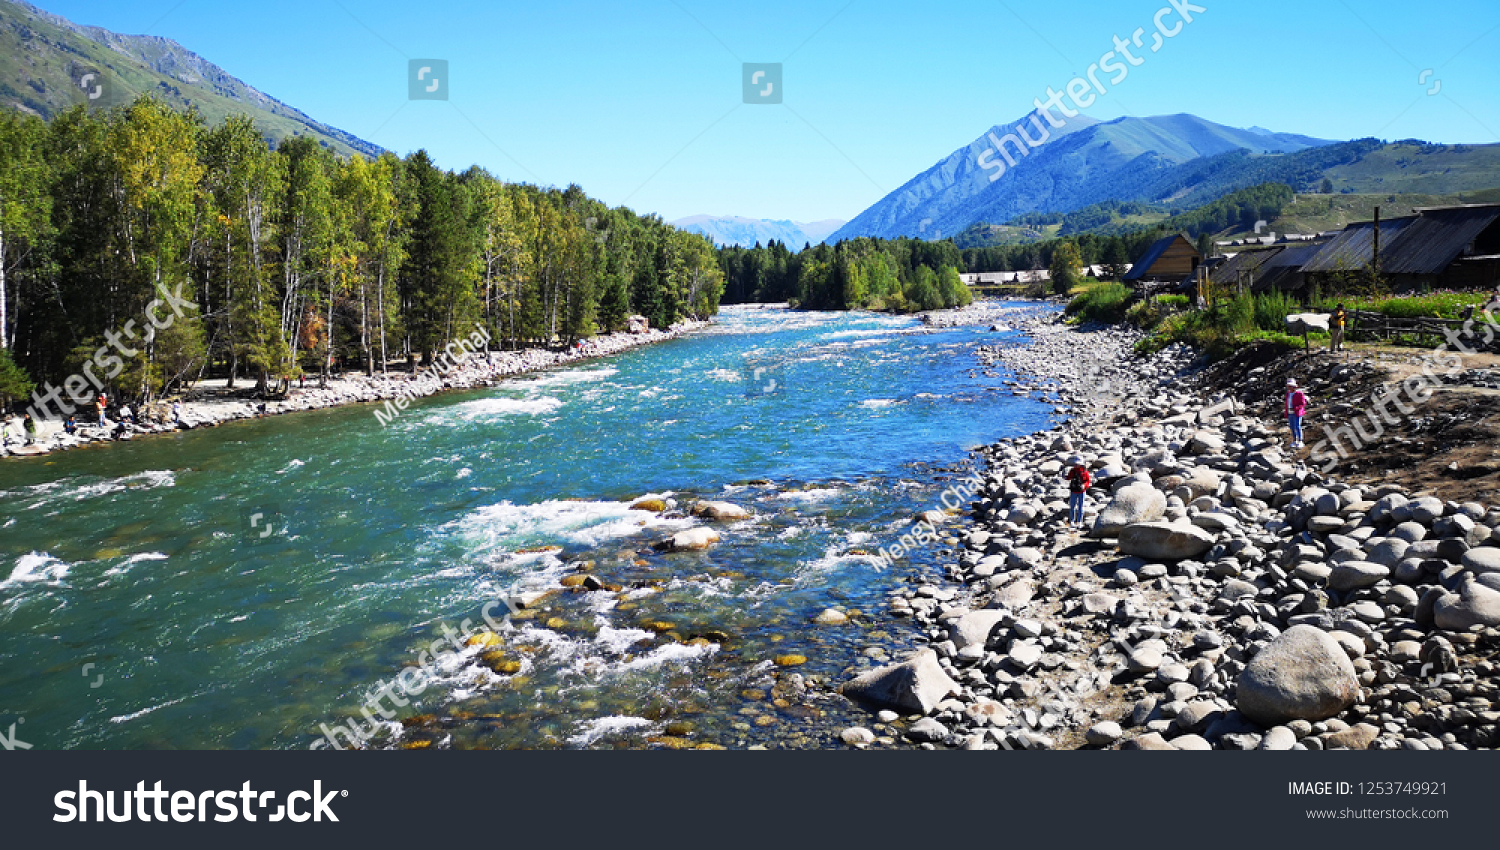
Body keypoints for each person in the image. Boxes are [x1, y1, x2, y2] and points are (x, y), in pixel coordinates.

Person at [1063, 456, 1091, 528]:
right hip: (1074, 491)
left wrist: (1084, 485)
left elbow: (1088, 481)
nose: (1076, 465)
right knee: (1072, 507)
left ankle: (1079, 522)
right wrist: (1065, 477)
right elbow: (1069, 477)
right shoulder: (1072, 471)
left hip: (1082, 491)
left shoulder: (1085, 472)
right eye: (1075, 464)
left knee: (1080, 507)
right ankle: (1072, 521)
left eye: (1077, 464)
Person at [1286, 378, 1307, 449]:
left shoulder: (1299, 393)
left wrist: (1296, 408)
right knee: (1292, 427)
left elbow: (1303, 403)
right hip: (1290, 412)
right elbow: (1286, 403)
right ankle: (1294, 440)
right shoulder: (1288, 393)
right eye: (1288, 386)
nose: (1289, 387)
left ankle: (1300, 440)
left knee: (1297, 426)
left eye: (1290, 386)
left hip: (1297, 413)